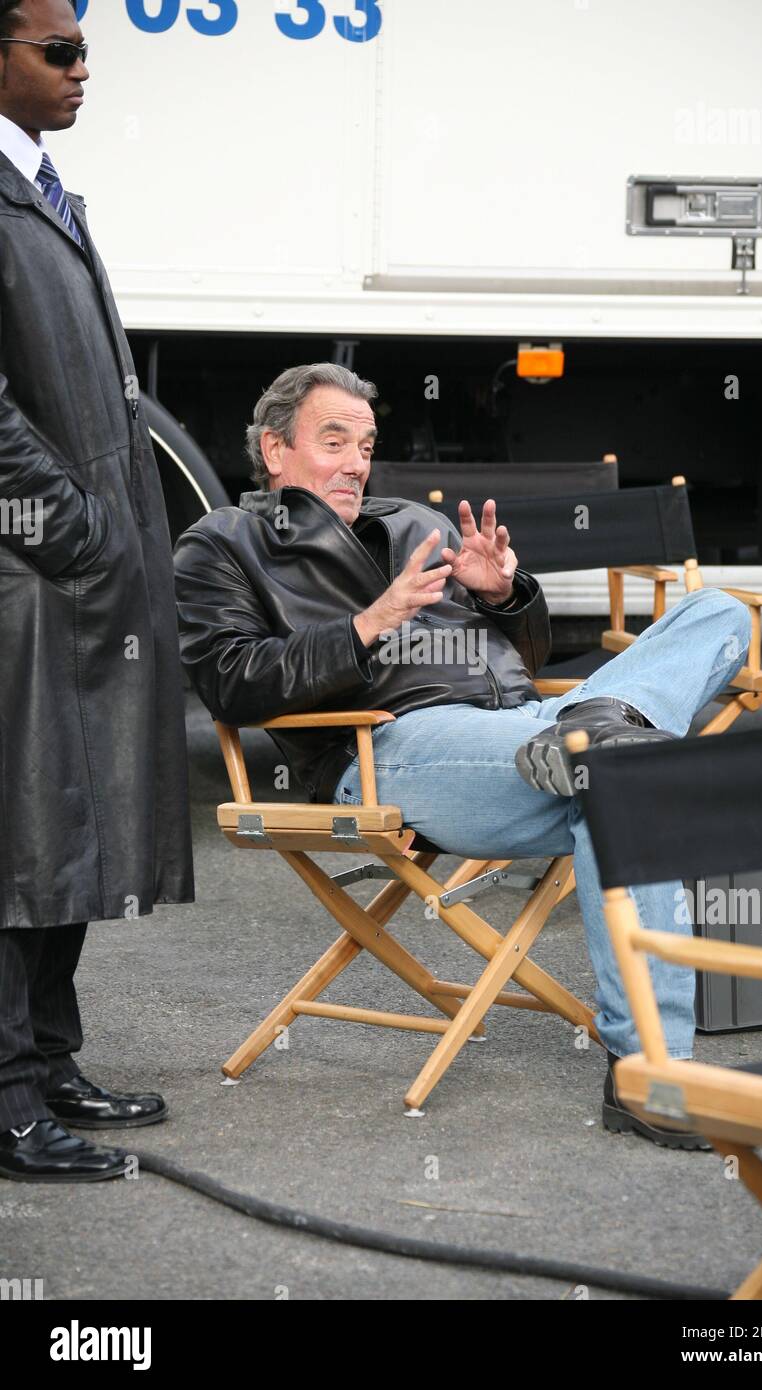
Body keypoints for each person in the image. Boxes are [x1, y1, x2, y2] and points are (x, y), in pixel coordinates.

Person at [174, 363, 752, 1148]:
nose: (355, 461)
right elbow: (231, 683)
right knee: (627, 774)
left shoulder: (419, 523)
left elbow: (526, 656)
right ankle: (653, 1068)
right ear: (275, 450)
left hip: (530, 722)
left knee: (716, 612)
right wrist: (366, 626)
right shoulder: (224, 544)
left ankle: (599, 731)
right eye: (333, 440)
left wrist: (503, 597)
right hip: (390, 748)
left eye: (365, 444)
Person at [0, 0, 194, 1183]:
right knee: (19, 837)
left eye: (86, 51)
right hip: (28, 573)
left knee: (68, 823)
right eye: (58, 52)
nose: (84, 71)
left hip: (70, 573)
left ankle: (51, 1056)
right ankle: (9, 1097)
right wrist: (78, 532)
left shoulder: (42, 185)